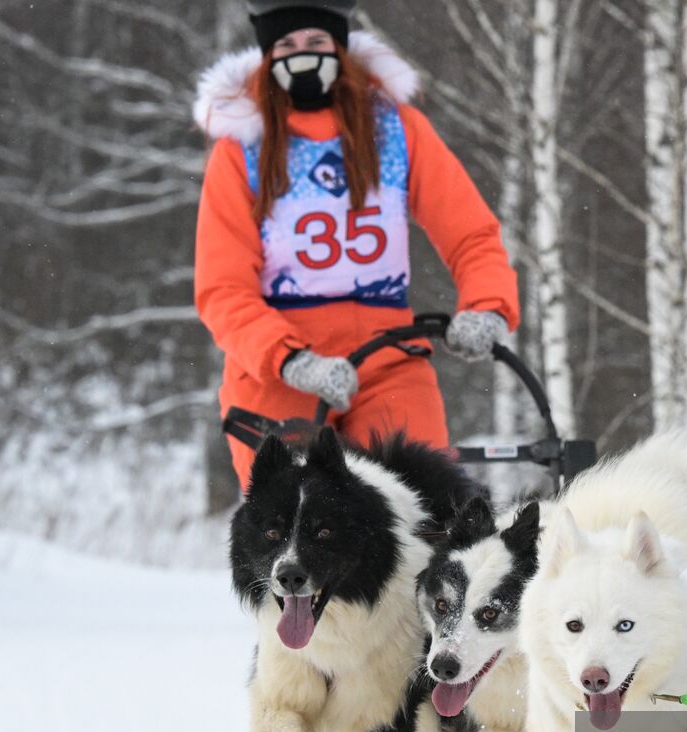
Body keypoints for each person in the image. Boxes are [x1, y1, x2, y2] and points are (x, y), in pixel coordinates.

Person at [193, 0, 519, 488]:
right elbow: (223, 289)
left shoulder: (397, 130)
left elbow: (469, 231)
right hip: (277, 366)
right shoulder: (242, 148)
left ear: (341, 48)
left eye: (317, 43)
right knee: (292, 518)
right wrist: (290, 359)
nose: (302, 57)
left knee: (418, 501)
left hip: (385, 352)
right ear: (266, 57)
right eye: (286, 45)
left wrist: (487, 306)